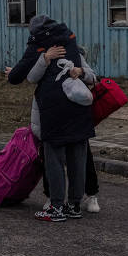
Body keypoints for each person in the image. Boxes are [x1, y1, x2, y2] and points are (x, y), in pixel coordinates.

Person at [7, 15, 95, 222]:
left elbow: (24, 78)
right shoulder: (71, 42)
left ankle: (56, 207)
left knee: (54, 160)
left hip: (54, 110)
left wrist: (45, 59)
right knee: (77, 159)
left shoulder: (38, 45)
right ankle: (74, 206)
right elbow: (91, 75)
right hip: (79, 109)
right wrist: (79, 71)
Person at [23, 44, 101, 214]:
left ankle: (67, 205)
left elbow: (93, 78)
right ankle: (56, 200)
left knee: (76, 162)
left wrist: (80, 71)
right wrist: (45, 58)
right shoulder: (43, 53)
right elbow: (32, 77)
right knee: (52, 161)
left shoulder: (74, 53)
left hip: (74, 118)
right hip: (53, 118)